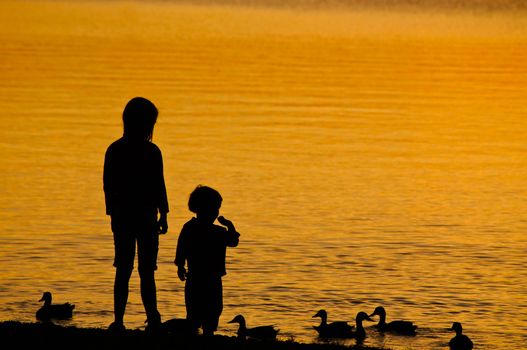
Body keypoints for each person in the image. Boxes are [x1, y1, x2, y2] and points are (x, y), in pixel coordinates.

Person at [103, 97, 169, 332]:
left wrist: (164, 212)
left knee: (129, 269)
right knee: (140, 270)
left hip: (132, 217)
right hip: (138, 216)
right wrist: (163, 213)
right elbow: (110, 186)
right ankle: (141, 318)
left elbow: (109, 187)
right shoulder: (147, 151)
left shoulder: (117, 149)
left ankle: (137, 318)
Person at [175, 185, 240, 336]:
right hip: (208, 278)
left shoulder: (191, 228)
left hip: (199, 278)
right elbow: (233, 241)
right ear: (201, 208)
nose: (216, 212)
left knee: (203, 311)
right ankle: (205, 335)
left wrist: (180, 265)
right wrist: (230, 226)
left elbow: (181, 249)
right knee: (206, 311)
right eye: (214, 208)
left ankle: (201, 335)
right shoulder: (216, 232)